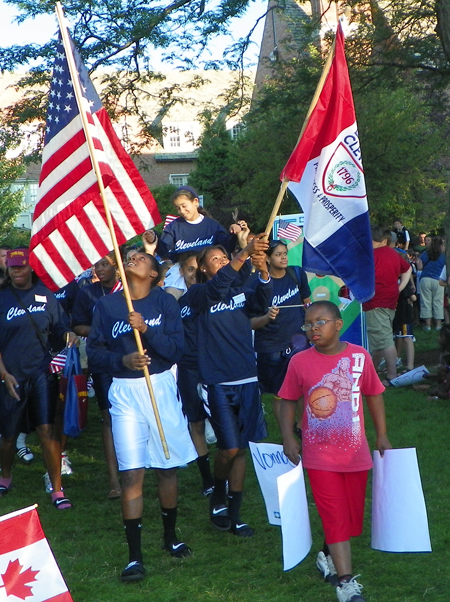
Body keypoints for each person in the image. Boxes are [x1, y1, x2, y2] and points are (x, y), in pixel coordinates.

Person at [87, 251, 197, 582]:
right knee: (132, 473)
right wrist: (123, 361)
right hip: (124, 392)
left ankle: (170, 536)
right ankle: (134, 556)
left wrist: (146, 329)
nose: (132, 258)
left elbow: (176, 350)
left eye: (139, 257)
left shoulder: (165, 302)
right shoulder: (107, 305)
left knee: (167, 468)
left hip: (161, 387)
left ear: (153, 274)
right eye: (130, 256)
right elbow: (94, 352)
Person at [279, 300, 392, 602]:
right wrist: (289, 437)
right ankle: (346, 583)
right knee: (335, 516)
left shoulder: (359, 356)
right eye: (308, 324)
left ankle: (327, 554)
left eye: (320, 322)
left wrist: (381, 435)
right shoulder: (300, 362)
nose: (313, 328)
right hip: (319, 456)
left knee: (351, 519)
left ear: (338, 324)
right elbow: (286, 400)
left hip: (356, 454)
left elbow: (374, 394)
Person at [187, 234, 272, 537]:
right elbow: (218, 285)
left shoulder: (239, 289)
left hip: (247, 377)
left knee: (242, 449)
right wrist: (244, 252)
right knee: (229, 448)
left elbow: (262, 303)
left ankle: (235, 515)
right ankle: (218, 491)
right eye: (215, 260)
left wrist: (262, 272)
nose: (222, 263)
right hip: (217, 382)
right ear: (204, 270)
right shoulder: (197, 296)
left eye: (225, 258)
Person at [0, 248, 77, 509]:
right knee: (8, 434)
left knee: (47, 430)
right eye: (13, 267)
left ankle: (57, 488)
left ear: (31, 268)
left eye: (21, 267)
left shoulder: (46, 295)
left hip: (42, 372)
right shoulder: (2, 297)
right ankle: (6, 475)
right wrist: (3, 374)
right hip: (11, 375)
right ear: (7, 269)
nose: (17, 271)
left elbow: (61, 327)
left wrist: (69, 336)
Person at [72, 253, 122, 498]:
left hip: (131, 360)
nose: (99, 269)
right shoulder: (87, 293)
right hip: (102, 361)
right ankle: (114, 480)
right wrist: (101, 330)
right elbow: (78, 325)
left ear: (116, 265)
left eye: (105, 264)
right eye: (96, 265)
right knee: (108, 417)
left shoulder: (128, 289)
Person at [251, 240, 311, 429]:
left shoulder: (297, 274)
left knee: (303, 389)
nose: (284, 257)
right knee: (281, 393)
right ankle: (286, 432)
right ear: (267, 258)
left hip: (299, 343)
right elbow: (250, 322)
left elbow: (307, 302)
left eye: (285, 253)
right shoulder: (257, 284)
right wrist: (267, 317)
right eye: (278, 254)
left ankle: (301, 428)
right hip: (272, 347)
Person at [145, 186, 243, 297]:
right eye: (178, 208)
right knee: (171, 296)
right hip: (182, 270)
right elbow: (164, 250)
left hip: (208, 269)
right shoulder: (174, 227)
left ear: (195, 202)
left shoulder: (212, 225)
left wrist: (233, 233)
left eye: (184, 206)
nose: (182, 211)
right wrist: (154, 239)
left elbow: (226, 248)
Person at [176, 251, 215, 496]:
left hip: (213, 367)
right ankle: (207, 479)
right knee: (196, 423)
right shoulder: (178, 303)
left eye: (196, 268)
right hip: (188, 369)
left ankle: (227, 473)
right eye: (188, 269)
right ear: (181, 272)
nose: (193, 273)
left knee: (223, 423)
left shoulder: (212, 298)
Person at [362, 226, 411, 387]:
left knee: (384, 340)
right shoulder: (393, 253)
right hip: (390, 301)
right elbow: (408, 268)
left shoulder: (369, 256)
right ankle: (371, 372)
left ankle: (391, 376)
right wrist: (401, 286)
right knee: (378, 340)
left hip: (375, 302)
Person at [417, 236, 445, 330]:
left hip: (425, 279)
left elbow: (420, 267)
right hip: (438, 280)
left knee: (426, 302)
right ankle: (438, 325)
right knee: (438, 302)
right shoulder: (443, 255)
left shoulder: (425, 253)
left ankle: (428, 325)